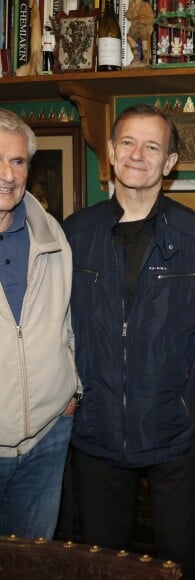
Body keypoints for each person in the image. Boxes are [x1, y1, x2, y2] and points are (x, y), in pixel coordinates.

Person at [63, 104, 195, 580]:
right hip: (96, 430)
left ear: (169, 163)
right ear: (109, 152)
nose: (138, 155)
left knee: (177, 565)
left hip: (174, 433)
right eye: (128, 142)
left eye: (153, 146)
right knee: (102, 566)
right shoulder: (75, 233)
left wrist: (190, 405)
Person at [0, 108, 79, 540]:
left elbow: (67, 321)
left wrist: (72, 392)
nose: (7, 174)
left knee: (32, 566)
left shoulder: (52, 234)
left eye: (17, 161)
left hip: (47, 441)